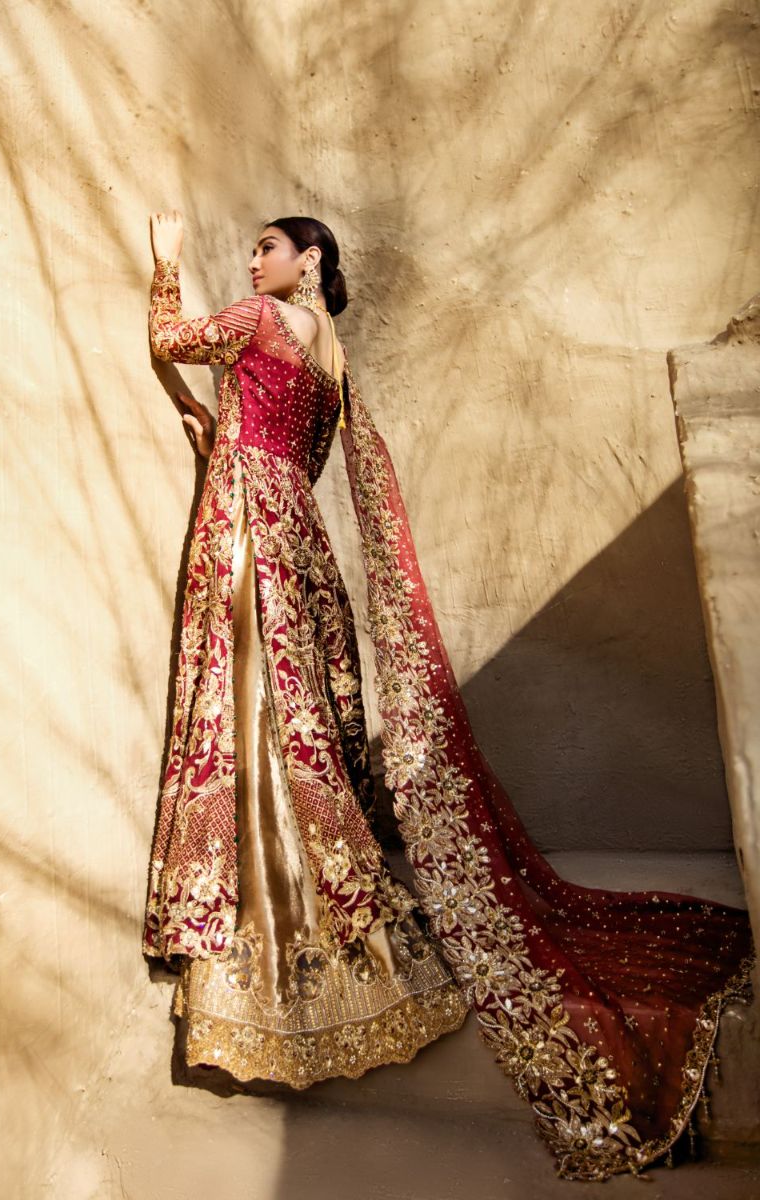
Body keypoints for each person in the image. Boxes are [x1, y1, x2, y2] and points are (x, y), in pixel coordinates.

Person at [143, 212, 755, 1181]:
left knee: (250, 699)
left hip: (249, 518)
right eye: (250, 249)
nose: (252, 261)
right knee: (295, 713)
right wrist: (219, 429)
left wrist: (165, 263)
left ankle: (256, 891)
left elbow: (170, 340)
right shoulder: (334, 362)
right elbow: (295, 450)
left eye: (267, 247)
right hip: (297, 529)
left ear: (308, 259)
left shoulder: (258, 319)